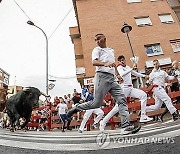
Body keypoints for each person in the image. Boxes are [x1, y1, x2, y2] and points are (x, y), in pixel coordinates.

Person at [67, 33, 141, 135]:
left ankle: (125, 127)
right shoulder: (97, 50)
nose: (97, 41)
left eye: (98, 39)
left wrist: (117, 75)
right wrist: (104, 63)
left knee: (121, 99)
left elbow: (113, 64)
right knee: (96, 103)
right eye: (95, 40)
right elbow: (94, 62)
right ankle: (76, 108)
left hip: (112, 79)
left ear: (104, 38)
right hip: (101, 76)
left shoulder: (111, 50)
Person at [98, 55, 153, 131]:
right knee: (117, 108)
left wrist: (144, 76)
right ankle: (103, 122)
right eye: (121, 60)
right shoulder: (119, 67)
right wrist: (131, 68)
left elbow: (134, 73)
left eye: (123, 60)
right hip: (124, 88)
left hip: (130, 88)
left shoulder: (127, 67)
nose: (122, 61)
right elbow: (122, 74)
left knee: (143, 95)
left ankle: (143, 116)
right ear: (119, 62)